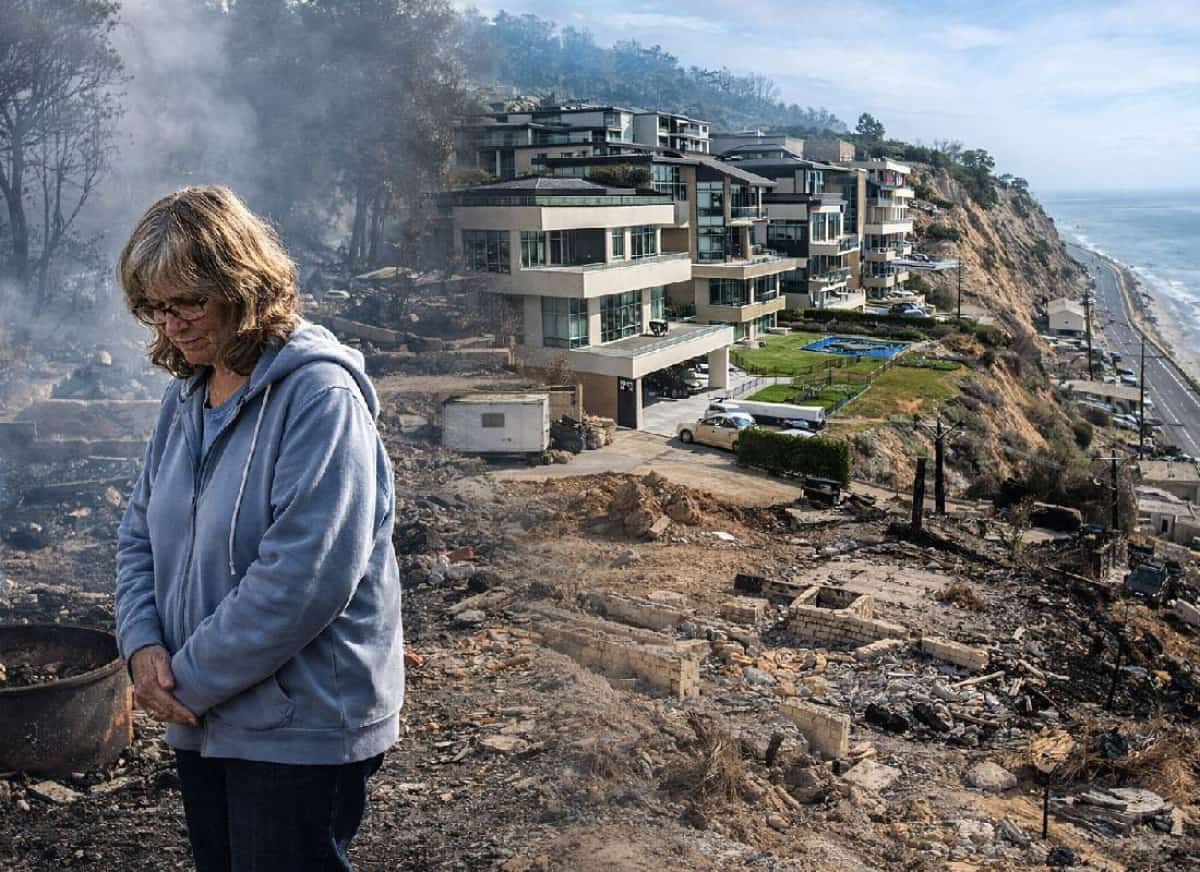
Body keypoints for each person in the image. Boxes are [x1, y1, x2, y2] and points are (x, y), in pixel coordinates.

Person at [113, 186, 404, 872]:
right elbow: (137, 536)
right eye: (155, 308)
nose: (171, 326)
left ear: (240, 286)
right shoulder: (187, 393)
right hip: (203, 716)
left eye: (187, 303)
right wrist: (142, 644)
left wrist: (180, 681)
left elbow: (302, 580)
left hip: (297, 724)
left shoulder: (319, 397)